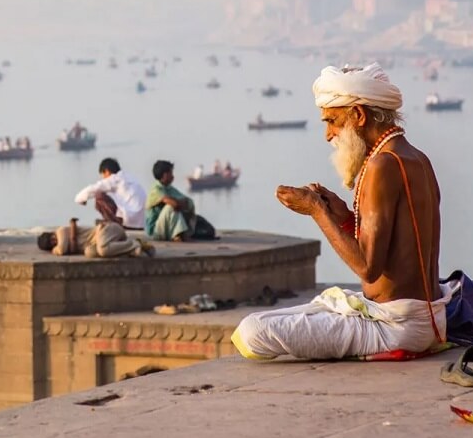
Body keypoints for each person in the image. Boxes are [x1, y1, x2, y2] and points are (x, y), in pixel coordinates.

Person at [232, 63, 448, 361]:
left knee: (253, 330)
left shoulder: (382, 165)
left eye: (332, 121)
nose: (328, 135)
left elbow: (368, 268)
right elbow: (393, 247)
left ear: (359, 115)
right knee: (291, 314)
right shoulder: (416, 157)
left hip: (397, 326)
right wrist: (344, 217)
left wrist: (316, 210)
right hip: (425, 317)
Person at [74, 158, 146, 228]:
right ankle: (114, 221)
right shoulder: (130, 177)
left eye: (103, 175)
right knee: (107, 195)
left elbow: (93, 189)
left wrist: (80, 199)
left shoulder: (115, 179)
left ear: (107, 171)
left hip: (129, 221)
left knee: (99, 196)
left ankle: (113, 224)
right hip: (142, 222)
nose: (103, 178)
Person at [36, 217, 145, 258]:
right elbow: (62, 249)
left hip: (107, 230)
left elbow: (63, 248)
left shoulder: (61, 231)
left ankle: (133, 244)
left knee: (102, 250)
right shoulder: (57, 246)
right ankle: (131, 250)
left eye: (52, 238)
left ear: (52, 233)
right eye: (52, 243)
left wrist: (72, 241)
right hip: (103, 242)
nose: (54, 240)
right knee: (89, 252)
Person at [144, 160, 196, 241]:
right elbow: (173, 203)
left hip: (166, 228)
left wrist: (182, 203)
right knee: (170, 207)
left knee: (184, 206)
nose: (172, 176)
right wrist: (178, 203)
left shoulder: (169, 189)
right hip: (155, 232)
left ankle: (182, 233)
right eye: (170, 173)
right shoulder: (156, 190)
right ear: (164, 175)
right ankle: (178, 234)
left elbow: (188, 201)